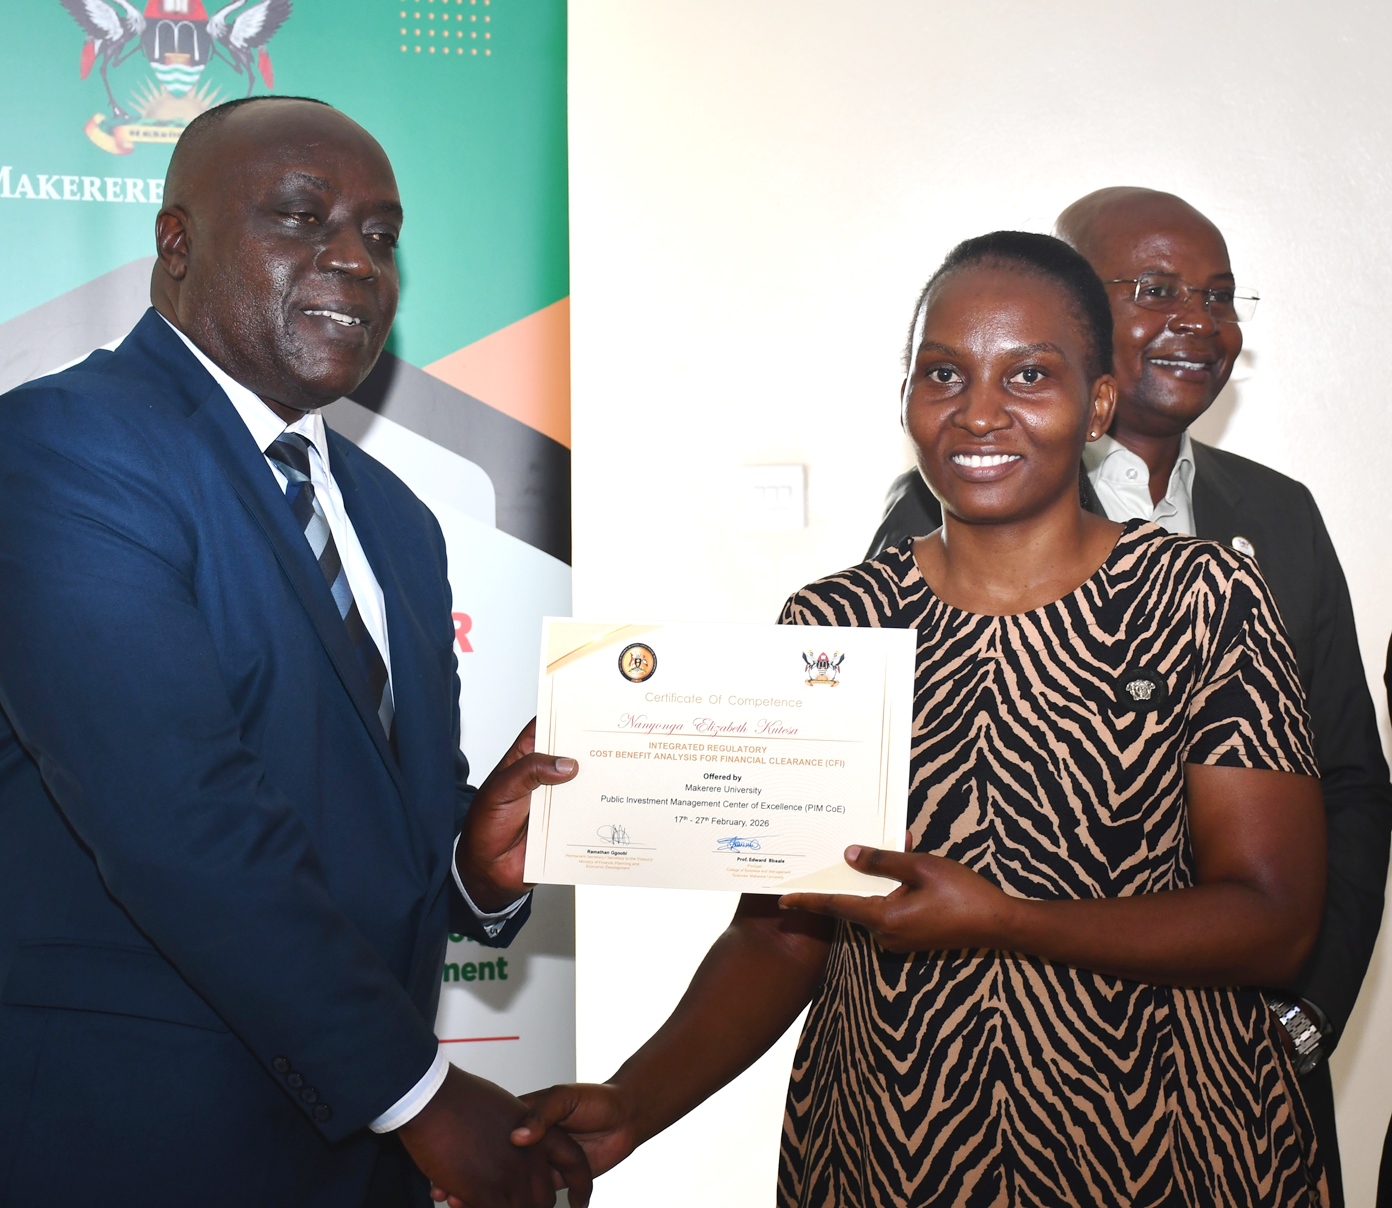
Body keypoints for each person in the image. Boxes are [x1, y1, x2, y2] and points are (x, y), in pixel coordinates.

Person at [493, 232, 1330, 1207]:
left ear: (1098, 402)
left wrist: (1011, 922)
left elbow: (1271, 918)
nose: (978, 410)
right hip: (892, 1149)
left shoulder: (1202, 595)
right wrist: (636, 1101)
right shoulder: (832, 623)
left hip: (1162, 1145)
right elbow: (779, 934)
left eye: (1028, 373)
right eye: (943, 372)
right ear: (906, 397)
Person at [0, 97, 590, 1208]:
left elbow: (362, 813)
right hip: (96, 1143)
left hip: (345, 1151)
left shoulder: (397, 520)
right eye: (302, 217)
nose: (353, 256)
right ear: (177, 245)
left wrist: (468, 865)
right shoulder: (64, 447)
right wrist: (425, 1100)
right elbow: (180, 818)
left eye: (381, 235)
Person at [868, 188, 1390, 1205]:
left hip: (1239, 1078)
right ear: (1079, 321)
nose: (1199, 319)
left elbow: (1352, 788)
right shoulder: (942, 517)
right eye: (1155, 289)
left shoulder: (1278, 516)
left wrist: (1306, 1011)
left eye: (1220, 295)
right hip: (1008, 1088)